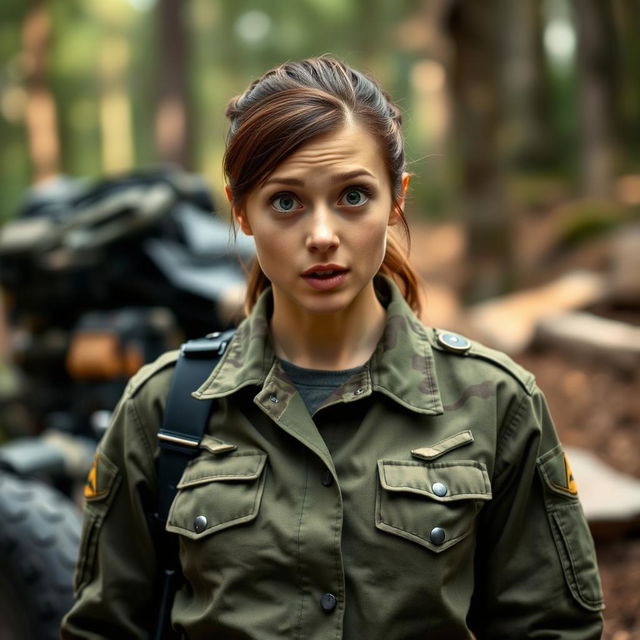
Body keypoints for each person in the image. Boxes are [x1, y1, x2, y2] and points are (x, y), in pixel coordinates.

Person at [61, 55, 604, 639]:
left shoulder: (496, 403)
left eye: (352, 196)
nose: (322, 236)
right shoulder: (166, 407)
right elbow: (105, 628)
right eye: (286, 202)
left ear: (397, 199)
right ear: (241, 210)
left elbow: (553, 627)